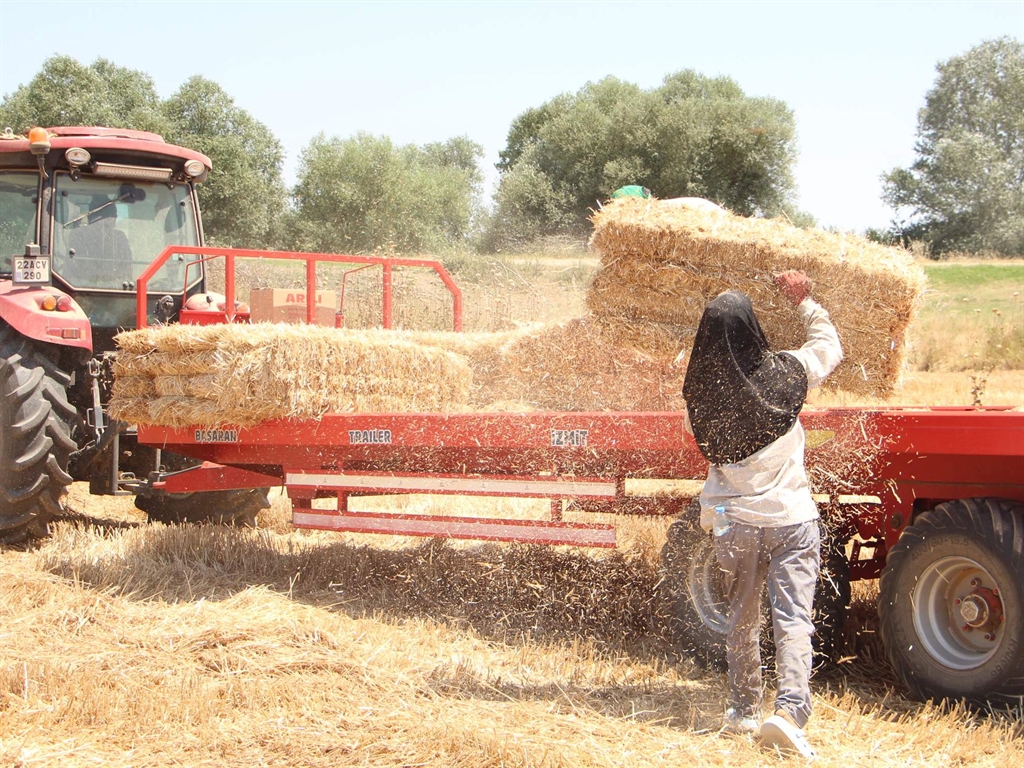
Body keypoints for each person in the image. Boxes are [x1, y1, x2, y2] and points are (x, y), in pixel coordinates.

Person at [681, 270, 843, 759]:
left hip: (736, 524)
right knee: (792, 619)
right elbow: (828, 348)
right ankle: (790, 712)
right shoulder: (784, 372)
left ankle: (743, 709)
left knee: (742, 618)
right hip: (791, 522)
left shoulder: (700, 400)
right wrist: (805, 302)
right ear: (753, 328)